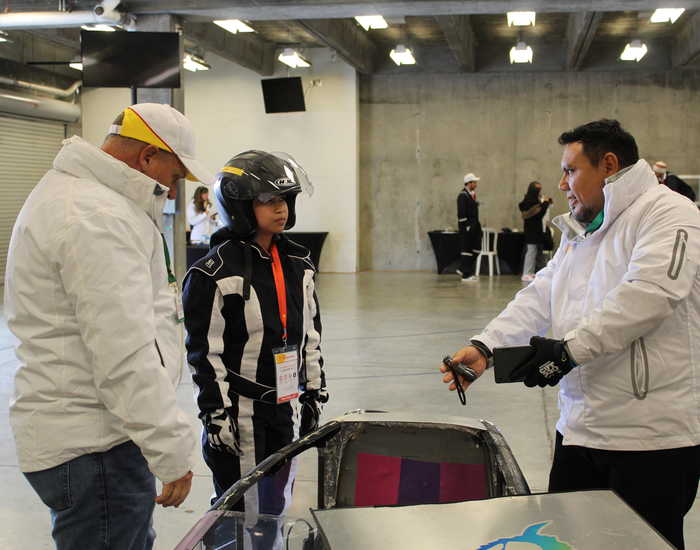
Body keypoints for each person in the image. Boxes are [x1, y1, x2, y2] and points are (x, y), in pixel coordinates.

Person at [440, 119, 700, 550]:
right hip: (580, 428)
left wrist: (567, 353)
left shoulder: (669, 213)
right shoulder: (583, 227)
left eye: (570, 170)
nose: (562, 183)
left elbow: (649, 295)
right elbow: (543, 291)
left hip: (652, 437)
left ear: (609, 165)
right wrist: (488, 344)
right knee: (569, 541)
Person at [4, 103, 213, 550]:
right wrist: (170, 450)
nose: (172, 190)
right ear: (146, 159)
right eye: (174, 175)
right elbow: (125, 353)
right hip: (95, 446)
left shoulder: (80, 200)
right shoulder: (96, 218)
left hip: (90, 438)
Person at [182, 150, 327, 519]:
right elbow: (204, 353)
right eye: (268, 201)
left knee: (277, 501)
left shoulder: (299, 262)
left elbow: (310, 333)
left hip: (285, 404)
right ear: (241, 206)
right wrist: (214, 413)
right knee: (240, 508)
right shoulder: (212, 273)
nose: (281, 209)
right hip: (240, 410)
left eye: (285, 199)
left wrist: (313, 392)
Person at [518, 181, 552, 282]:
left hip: (537, 230)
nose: (539, 191)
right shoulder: (529, 201)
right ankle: (526, 273)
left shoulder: (536, 200)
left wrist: (544, 203)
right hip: (531, 231)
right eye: (537, 189)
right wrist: (545, 203)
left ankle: (533, 272)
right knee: (531, 252)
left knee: (537, 252)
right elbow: (538, 214)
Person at [457, 172, 482, 282]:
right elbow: (461, 213)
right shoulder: (462, 196)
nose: (476, 184)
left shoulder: (470, 195)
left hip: (475, 227)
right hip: (467, 228)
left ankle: (462, 268)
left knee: (477, 249)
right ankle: (466, 275)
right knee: (467, 250)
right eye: (474, 182)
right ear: (469, 183)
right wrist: (466, 226)